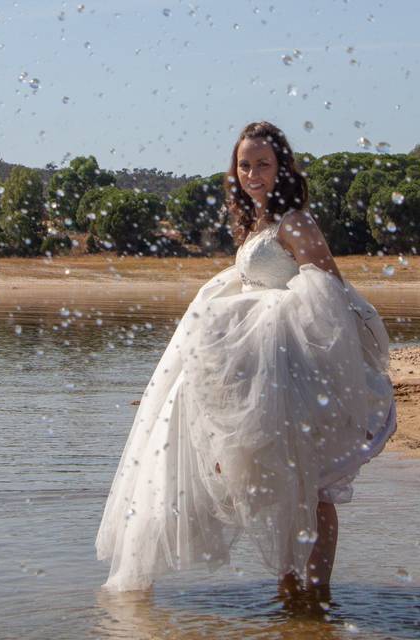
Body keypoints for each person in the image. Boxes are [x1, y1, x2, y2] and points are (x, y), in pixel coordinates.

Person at [95, 121, 397, 601]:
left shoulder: (295, 222)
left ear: (283, 168)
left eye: (263, 164)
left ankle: (315, 593)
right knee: (283, 482)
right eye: (244, 165)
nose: (253, 173)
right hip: (265, 376)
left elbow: (328, 292)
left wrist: (262, 311)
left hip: (296, 372)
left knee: (313, 486)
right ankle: (292, 590)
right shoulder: (254, 223)